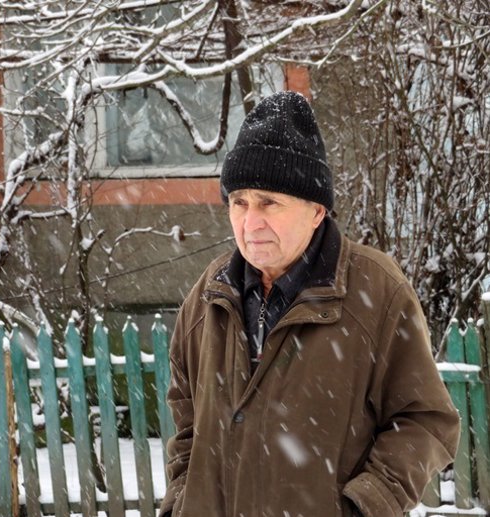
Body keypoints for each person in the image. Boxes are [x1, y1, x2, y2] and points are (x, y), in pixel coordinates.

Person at [159, 91, 460, 517]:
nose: (251, 222)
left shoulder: (376, 291)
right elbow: (186, 414)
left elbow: (427, 419)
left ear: (317, 210)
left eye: (269, 203)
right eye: (239, 202)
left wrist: (366, 505)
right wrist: (183, 498)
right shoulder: (211, 293)